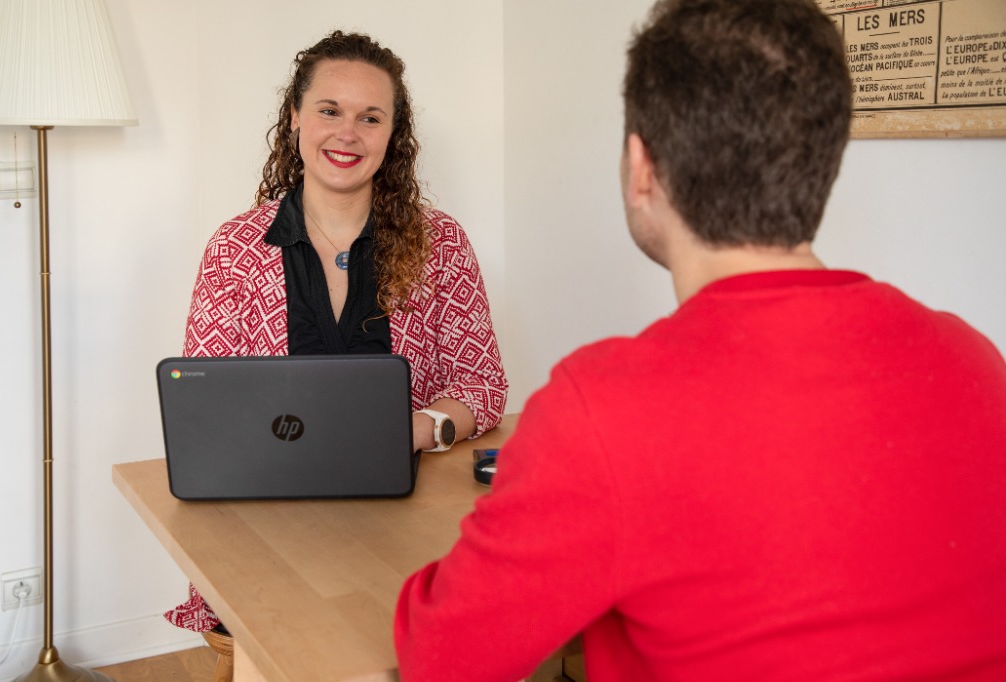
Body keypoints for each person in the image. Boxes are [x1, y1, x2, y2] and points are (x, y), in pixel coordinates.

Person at [394, 0, 1006, 680]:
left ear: (641, 167)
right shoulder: (974, 360)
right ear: (825, 158)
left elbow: (440, 655)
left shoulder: (602, 411)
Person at [164, 30, 507, 633]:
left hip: (411, 524)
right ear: (295, 118)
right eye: (329, 110)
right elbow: (208, 410)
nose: (348, 133)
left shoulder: (441, 243)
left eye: (370, 117)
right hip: (270, 525)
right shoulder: (235, 251)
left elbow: (482, 386)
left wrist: (419, 429)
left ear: (392, 135)